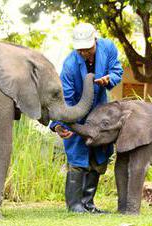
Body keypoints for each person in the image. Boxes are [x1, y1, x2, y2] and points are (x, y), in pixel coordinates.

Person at [50, 23, 123, 213]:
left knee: (98, 157)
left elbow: (117, 70)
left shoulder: (108, 48)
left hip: (100, 113)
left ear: (95, 41)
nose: (84, 53)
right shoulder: (70, 65)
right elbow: (64, 98)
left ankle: (88, 204)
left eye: (87, 49)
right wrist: (59, 124)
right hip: (76, 113)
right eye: (80, 50)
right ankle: (74, 205)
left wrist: (109, 79)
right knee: (77, 157)